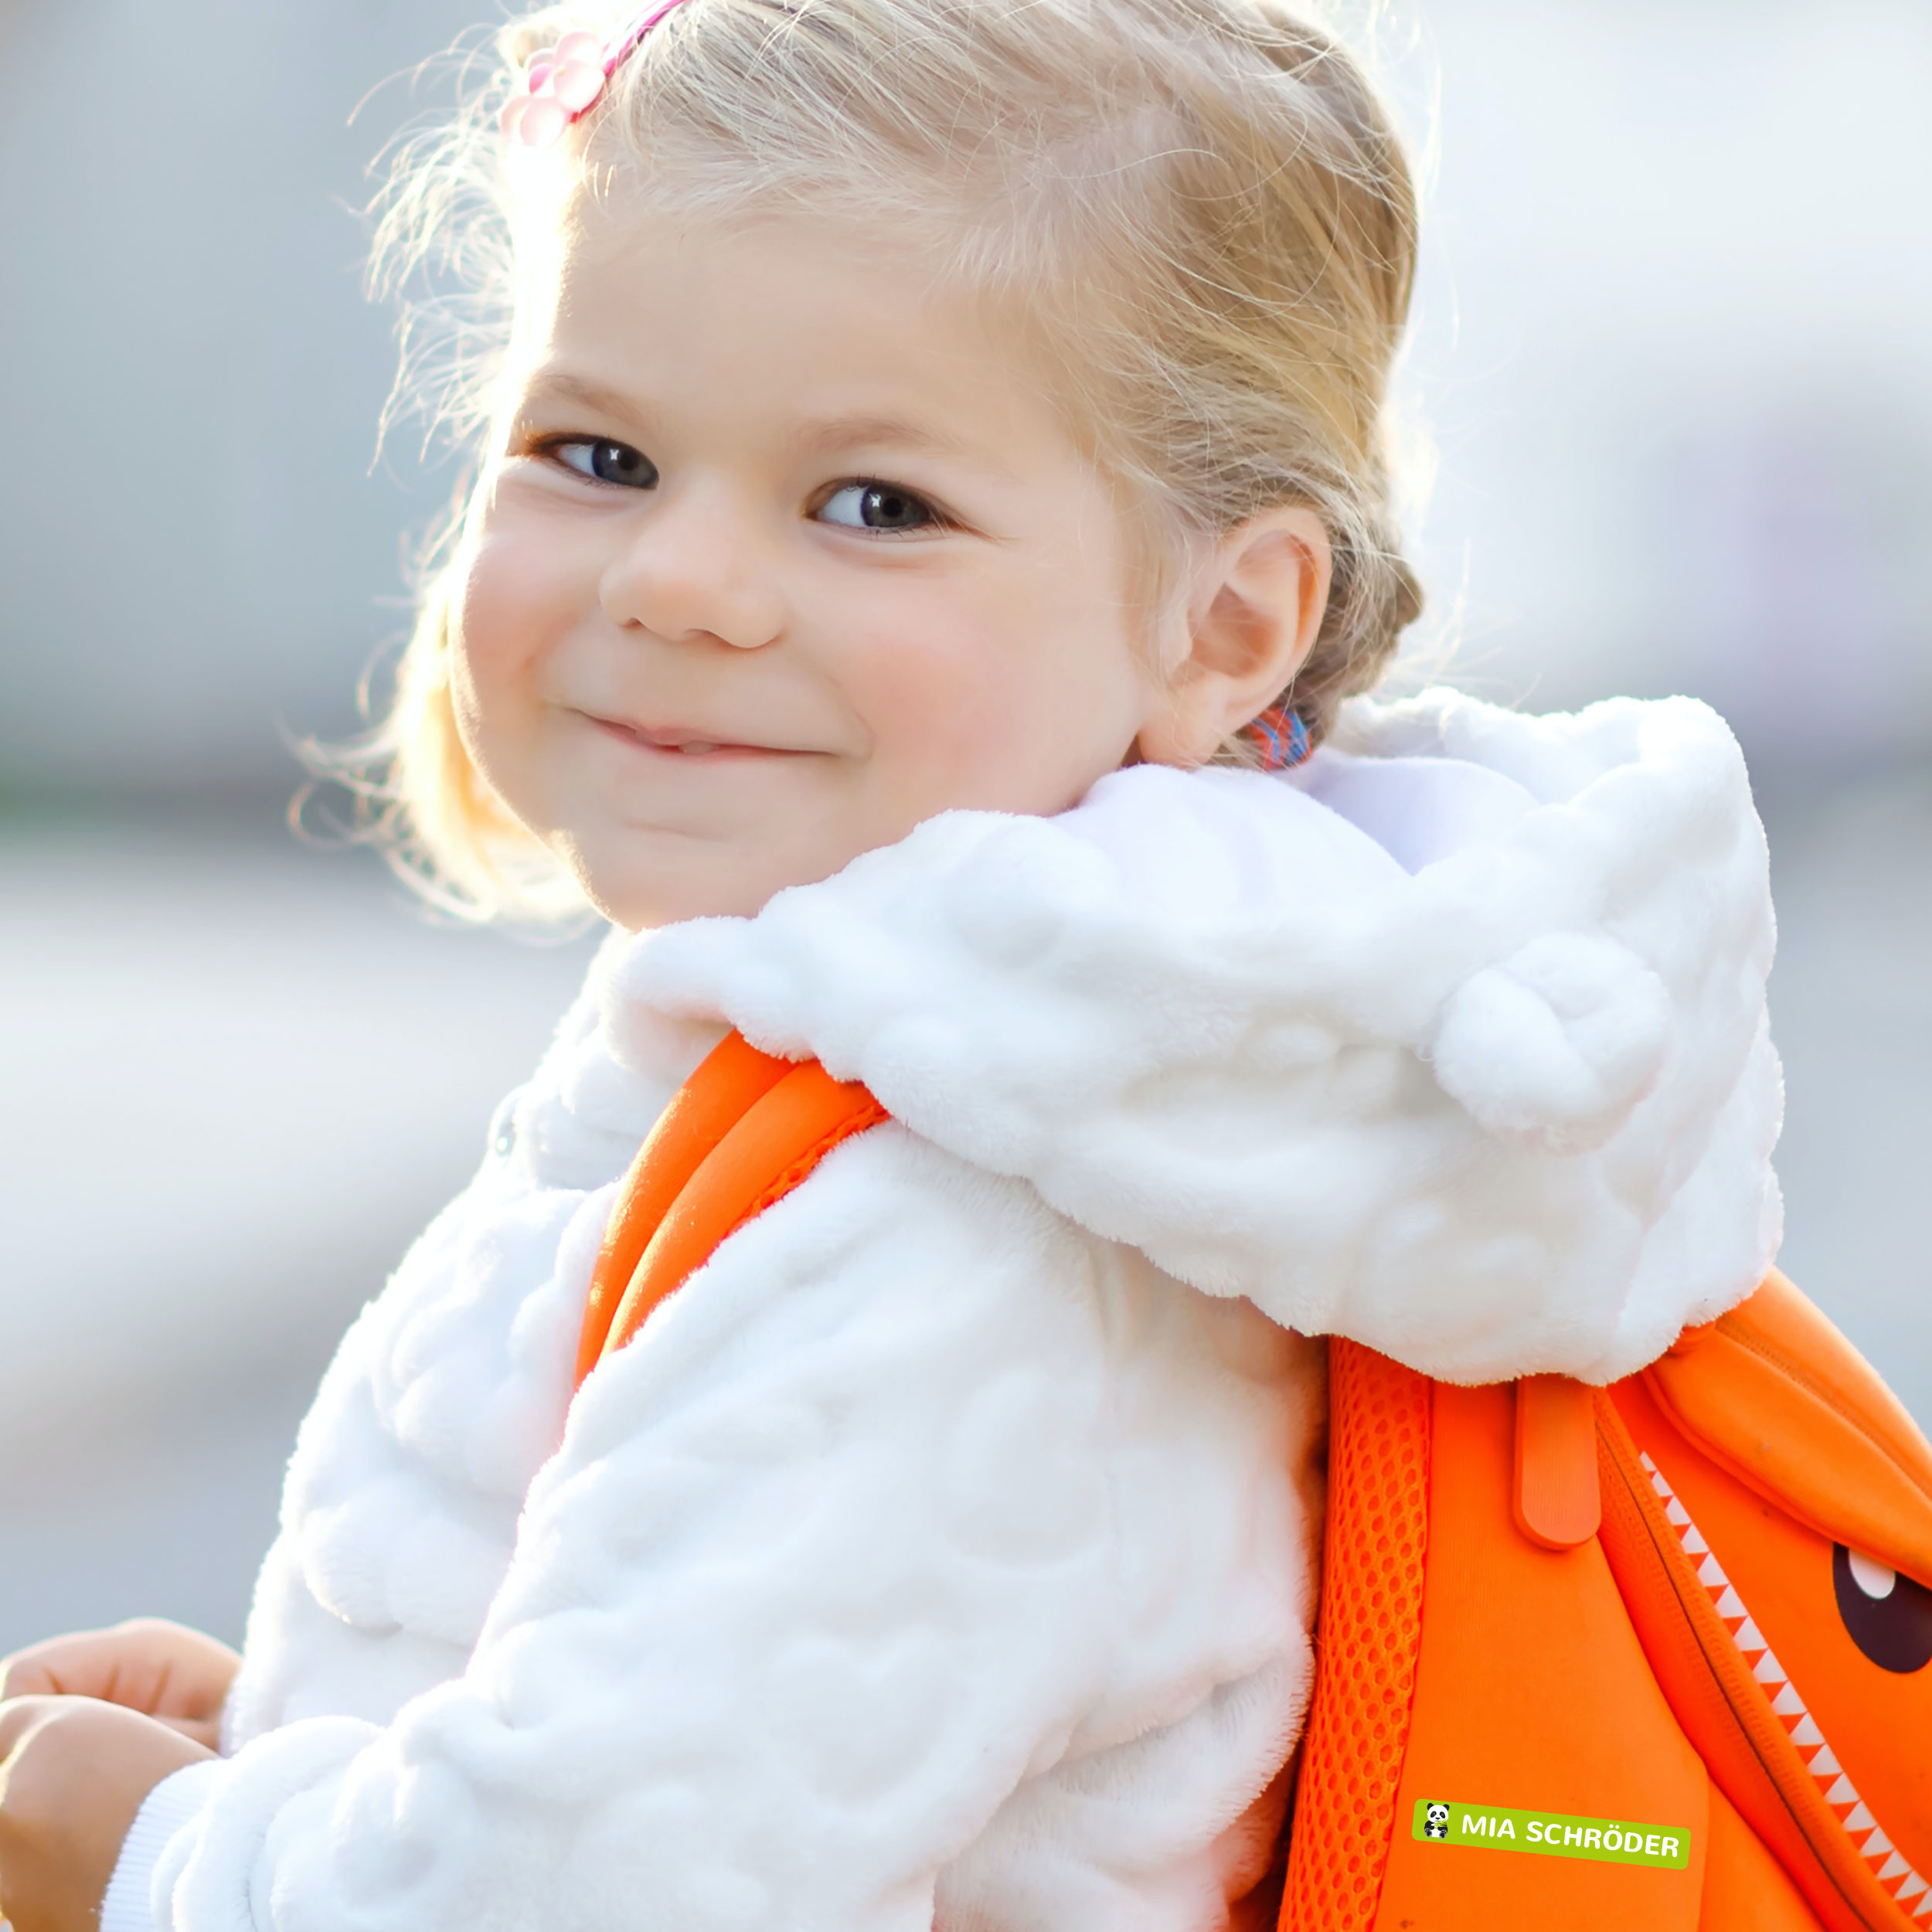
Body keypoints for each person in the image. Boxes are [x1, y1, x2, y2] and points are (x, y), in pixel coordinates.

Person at [0, 0, 1784, 1927]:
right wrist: (314, 1739)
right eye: (599, 453)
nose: (678, 579)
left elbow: (601, 1895)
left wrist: (162, 1861)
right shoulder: (1003, 1086)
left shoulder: (956, 1215)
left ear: (1221, 627)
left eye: (873, 504)